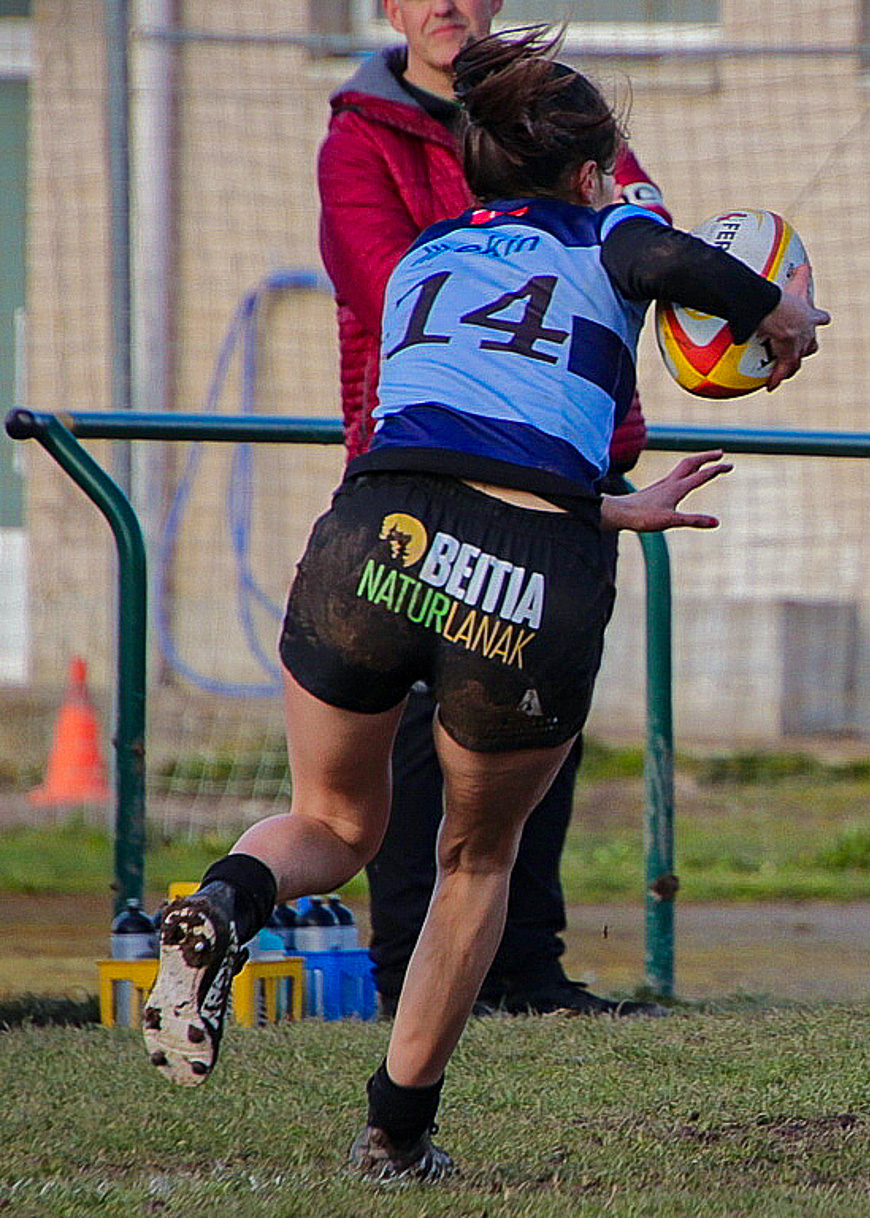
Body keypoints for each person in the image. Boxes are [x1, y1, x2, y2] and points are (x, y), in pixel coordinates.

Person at [142, 26, 827, 1180]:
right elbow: (670, 271)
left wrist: (619, 506)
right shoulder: (612, 229)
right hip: (523, 572)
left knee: (334, 822)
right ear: (595, 172)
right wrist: (779, 315)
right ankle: (397, 1137)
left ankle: (224, 898)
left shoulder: (421, 258)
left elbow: (470, 434)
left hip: (369, 536)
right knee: (473, 862)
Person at [318, 0, 675, 1018]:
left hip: (571, 462)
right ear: (390, 7)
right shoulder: (359, 141)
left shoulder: (573, 122)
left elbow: (645, 237)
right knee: (411, 736)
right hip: (430, 472)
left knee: (532, 727)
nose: (447, 7)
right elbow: (399, 288)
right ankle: (407, 974)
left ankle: (525, 970)